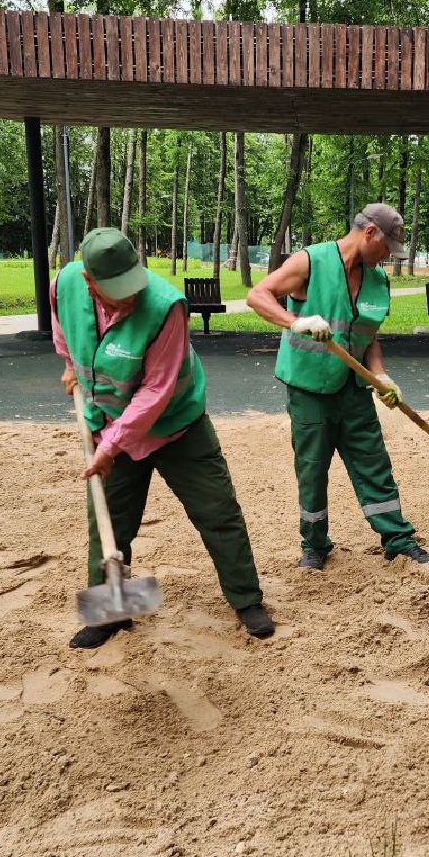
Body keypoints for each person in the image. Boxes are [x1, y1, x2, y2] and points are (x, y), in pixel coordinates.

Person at [53, 227, 275, 648]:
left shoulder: (166, 305)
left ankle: (246, 600)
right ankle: (111, 612)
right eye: (118, 291)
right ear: (89, 281)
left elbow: (156, 391)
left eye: (133, 285)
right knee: (108, 525)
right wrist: (68, 362)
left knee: (218, 512)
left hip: (176, 424)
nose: (131, 297)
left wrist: (111, 446)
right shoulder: (66, 283)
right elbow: (61, 325)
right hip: (109, 419)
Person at [247, 204, 429, 570]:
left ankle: (398, 540)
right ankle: (315, 545)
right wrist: (295, 321)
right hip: (309, 389)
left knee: (374, 464)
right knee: (313, 469)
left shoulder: (377, 279)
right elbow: (259, 295)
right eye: (387, 248)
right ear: (369, 233)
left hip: (353, 390)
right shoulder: (311, 262)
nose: (388, 257)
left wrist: (380, 375)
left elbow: (369, 336)